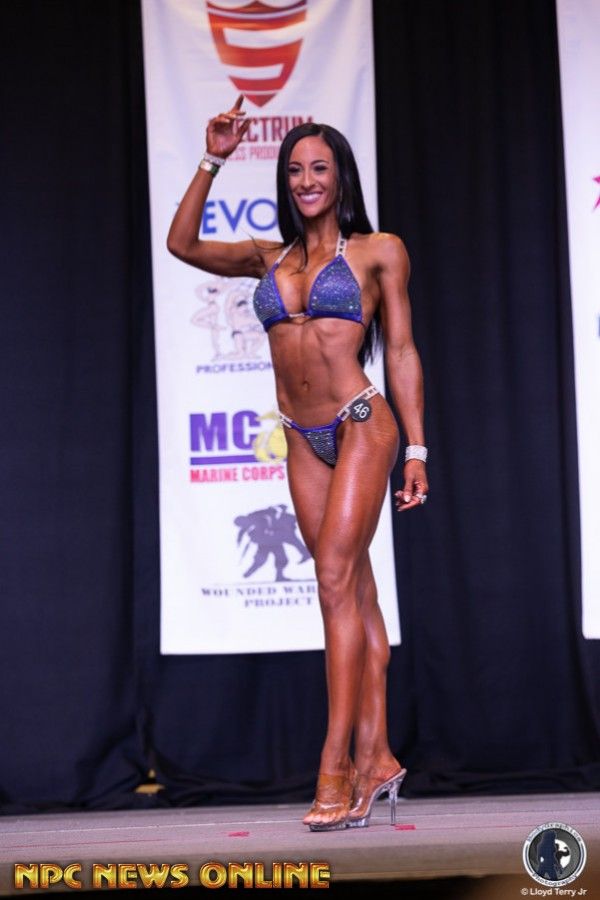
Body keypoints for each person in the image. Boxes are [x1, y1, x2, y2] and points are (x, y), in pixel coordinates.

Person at [167, 96, 429, 831]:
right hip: (300, 436)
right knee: (356, 594)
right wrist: (213, 158)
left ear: (340, 177)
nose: (307, 180)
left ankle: (334, 766)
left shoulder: (379, 250)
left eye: (319, 168)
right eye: (294, 170)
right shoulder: (268, 257)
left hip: (362, 424)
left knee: (334, 582)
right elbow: (181, 244)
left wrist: (416, 447)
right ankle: (380, 758)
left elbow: (401, 349)